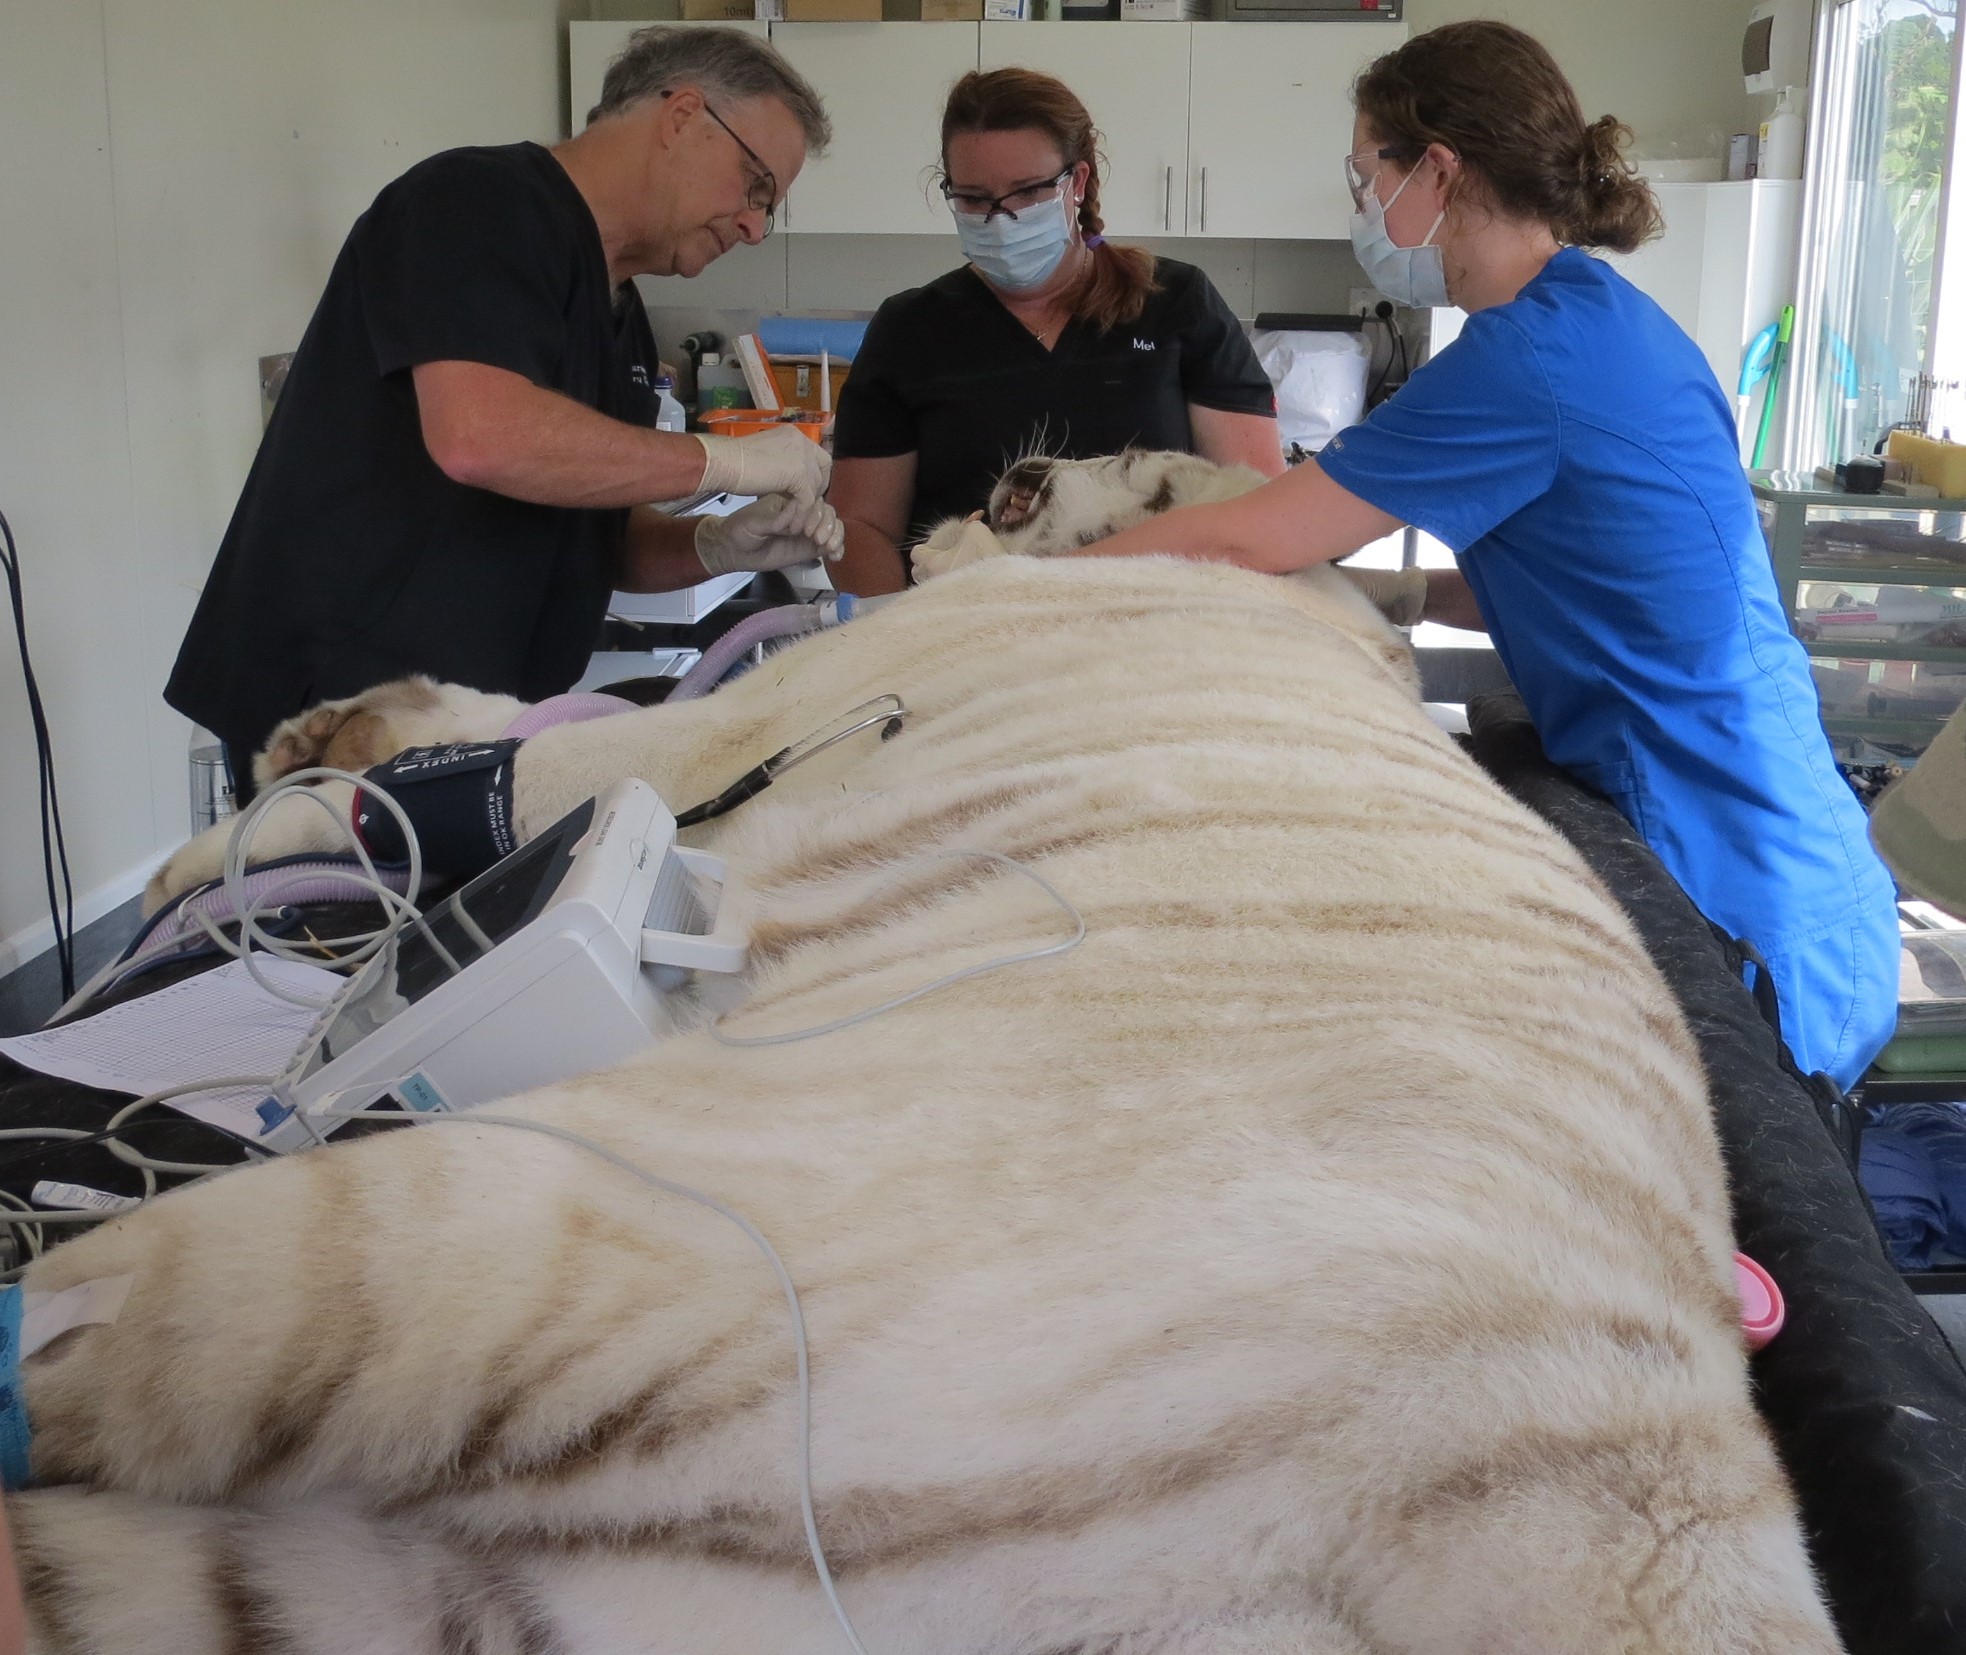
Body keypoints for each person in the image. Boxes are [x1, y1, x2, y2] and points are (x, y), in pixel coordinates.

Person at [1050, 21, 1900, 1091]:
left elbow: (1242, 531)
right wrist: (1380, 593)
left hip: (1732, 885)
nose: (1363, 206)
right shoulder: (1608, 321)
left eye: (1367, 175)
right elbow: (1574, 585)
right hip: (1787, 835)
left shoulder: (1520, 361)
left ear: (1438, 169)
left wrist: (1027, 587)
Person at [166, 27, 843, 793]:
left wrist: (718, 545)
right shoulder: (475, 204)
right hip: (340, 717)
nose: (755, 226)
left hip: (467, 726)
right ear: (683, 115)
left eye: (771, 209)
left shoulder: (619, 308)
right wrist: (732, 458)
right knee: (335, 913)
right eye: (755, 186)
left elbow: (597, 541)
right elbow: (480, 437)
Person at [826, 68, 1283, 596]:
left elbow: (1257, 506)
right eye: (974, 199)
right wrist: (900, 631)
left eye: (1026, 194)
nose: (1001, 220)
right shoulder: (910, 331)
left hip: (1158, 621)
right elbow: (861, 527)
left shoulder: (1175, 304)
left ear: (1078, 183)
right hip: (963, 632)